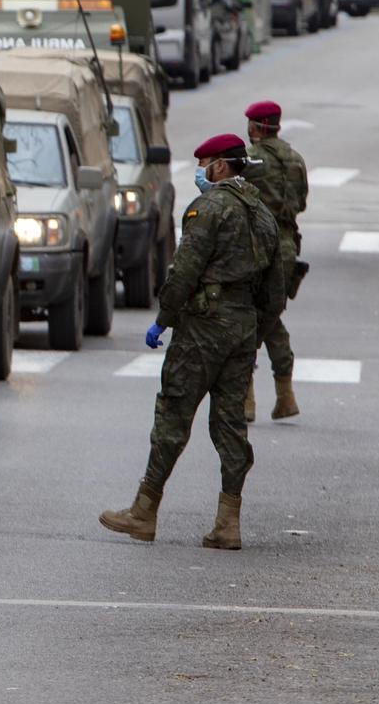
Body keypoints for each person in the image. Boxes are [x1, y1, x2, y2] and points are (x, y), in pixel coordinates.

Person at [99, 133, 283, 551]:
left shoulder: (208, 209)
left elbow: (184, 271)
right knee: (231, 424)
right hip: (242, 328)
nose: (201, 171)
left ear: (220, 167)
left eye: (205, 164)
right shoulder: (264, 215)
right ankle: (228, 522)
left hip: (202, 328)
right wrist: (255, 334)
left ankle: (144, 512)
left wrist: (163, 320)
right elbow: (276, 291)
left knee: (173, 415)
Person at [244, 100, 307, 422]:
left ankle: (247, 399)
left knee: (251, 320)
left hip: (258, 246)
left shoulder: (251, 159)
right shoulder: (295, 159)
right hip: (287, 248)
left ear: (255, 126)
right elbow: (302, 203)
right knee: (271, 317)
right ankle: (285, 395)